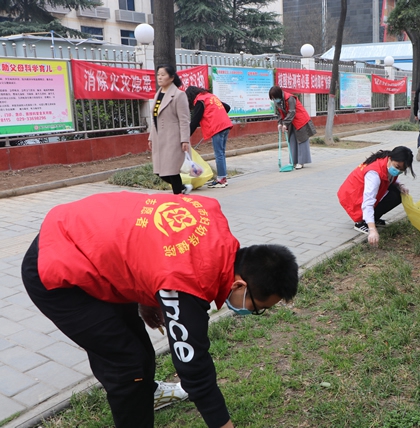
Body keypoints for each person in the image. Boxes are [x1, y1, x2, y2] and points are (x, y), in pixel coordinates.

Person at [20, 192, 299, 428]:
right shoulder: (188, 280)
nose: (252, 313)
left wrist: (149, 295)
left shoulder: (214, 225)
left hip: (81, 239)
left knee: (138, 348)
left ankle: (147, 394)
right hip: (57, 270)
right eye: (257, 307)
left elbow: (154, 248)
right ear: (239, 285)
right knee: (127, 364)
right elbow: (194, 368)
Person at [337, 146, 415, 247]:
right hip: (353, 196)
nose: (398, 171)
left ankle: (372, 218)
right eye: (397, 167)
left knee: (397, 194)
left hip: (361, 193)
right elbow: (368, 202)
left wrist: (400, 185)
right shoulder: (374, 174)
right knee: (381, 199)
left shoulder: (388, 163)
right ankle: (361, 222)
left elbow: (391, 178)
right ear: (390, 159)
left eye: (402, 170)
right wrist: (372, 230)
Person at [149, 65, 191, 195]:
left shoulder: (179, 95)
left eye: (163, 75)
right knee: (159, 171)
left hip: (173, 138)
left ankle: (178, 196)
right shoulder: (158, 94)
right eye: (158, 74)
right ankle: (182, 188)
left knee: (172, 170)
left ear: (172, 78)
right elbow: (154, 117)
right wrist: (151, 137)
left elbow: (184, 120)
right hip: (159, 137)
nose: (159, 77)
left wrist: (185, 140)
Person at [185, 86, 233, 188]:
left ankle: (221, 180)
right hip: (226, 126)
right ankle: (223, 178)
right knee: (221, 153)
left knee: (219, 154)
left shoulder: (200, 101)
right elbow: (227, 107)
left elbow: (195, 121)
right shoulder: (210, 97)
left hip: (218, 128)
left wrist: (185, 136)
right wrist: (217, 115)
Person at [268, 85, 316, 169]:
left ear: (279, 95)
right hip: (291, 121)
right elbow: (279, 114)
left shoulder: (290, 98)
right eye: (273, 98)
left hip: (300, 120)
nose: (274, 99)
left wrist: (285, 123)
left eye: (275, 97)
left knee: (301, 140)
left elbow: (292, 112)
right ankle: (293, 161)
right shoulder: (277, 102)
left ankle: (301, 162)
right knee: (292, 139)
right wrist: (280, 123)